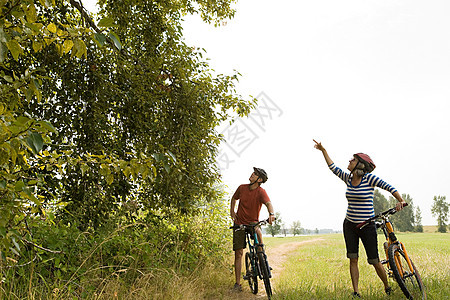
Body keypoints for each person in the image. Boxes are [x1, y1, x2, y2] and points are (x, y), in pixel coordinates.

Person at [313, 140, 406, 298]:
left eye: (353, 159)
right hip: (350, 225)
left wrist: (400, 200)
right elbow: (332, 167)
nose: (349, 161)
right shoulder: (348, 178)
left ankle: (387, 286)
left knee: (374, 260)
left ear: (360, 165)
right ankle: (356, 291)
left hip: (367, 226)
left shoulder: (369, 179)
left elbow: (390, 187)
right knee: (353, 258)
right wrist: (323, 150)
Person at [230, 167, 275, 292]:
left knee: (258, 231)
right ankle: (237, 284)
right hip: (239, 223)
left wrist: (271, 214)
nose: (252, 174)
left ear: (259, 179)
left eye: (255, 174)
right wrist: (232, 211)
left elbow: (268, 203)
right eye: (253, 172)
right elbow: (234, 198)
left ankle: (262, 260)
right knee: (238, 253)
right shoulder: (242, 188)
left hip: (252, 222)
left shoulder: (261, 192)